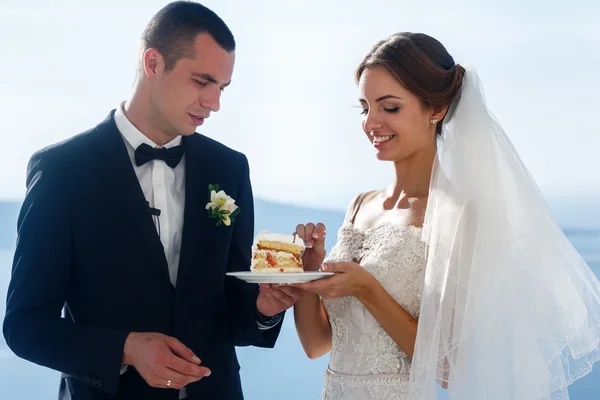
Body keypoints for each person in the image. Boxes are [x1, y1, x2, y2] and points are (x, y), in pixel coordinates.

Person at [2, 2, 303, 399]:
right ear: (154, 63)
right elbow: (25, 326)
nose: (214, 103)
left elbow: (233, 315)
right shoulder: (62, 172)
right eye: (202, 81)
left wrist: (265, 309)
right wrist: (126, 347)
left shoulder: (229, 168)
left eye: (222, 88)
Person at [293, 32, 600, 400]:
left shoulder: (458, 214)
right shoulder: (359, 205)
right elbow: (316, 345)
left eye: (389, 108)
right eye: (365, 107)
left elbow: (447, 369)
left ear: (436, 110)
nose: (370, 123)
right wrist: (306, 273)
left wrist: (366, 287)